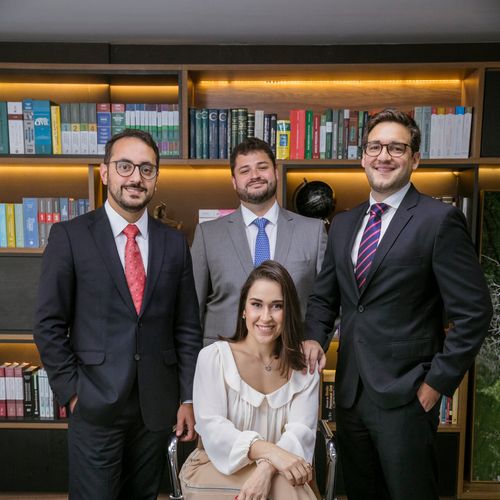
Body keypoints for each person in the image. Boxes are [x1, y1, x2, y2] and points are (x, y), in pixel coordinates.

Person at [304, 108, 493, 500]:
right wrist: (312, 338)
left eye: (396, 148)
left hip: (408, 395)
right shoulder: (343, 224)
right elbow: (325, 297)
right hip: (350, 394)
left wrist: (435, 385)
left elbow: (475, 312)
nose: (383, 156)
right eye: (375, 147)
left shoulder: (438, 220)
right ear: (362, 157)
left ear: (415, 159)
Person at [33, 129, 202, 499]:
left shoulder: (174, 242)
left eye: (146, 169)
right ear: (105, 172)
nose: (136, 177)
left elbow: (187, 328)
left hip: (156, 407)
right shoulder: (70, 236)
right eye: (125, 166)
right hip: (94, 403)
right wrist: (73, 392)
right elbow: (48, 324)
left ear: (156, 177)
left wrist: (187, 397)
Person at [179, 261, 319, 500]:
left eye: (277, 306)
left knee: (286, 488)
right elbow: (214, 431)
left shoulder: (305, 366)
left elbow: (301, 433)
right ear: (243, 309)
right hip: (214, 466)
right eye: (256, 304)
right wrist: (272, 454)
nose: (266, 317)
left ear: (289, 312)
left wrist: (266, 468)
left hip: (281, 469)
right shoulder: (213, 357)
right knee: (289, 492)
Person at [191, 137, 328, 364]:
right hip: (223, 361)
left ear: (275, 172)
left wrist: (314, 340)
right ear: (234, 181)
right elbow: (191, 310)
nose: (254, 175)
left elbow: (327, 300)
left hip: (294, 360)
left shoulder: (313, 232)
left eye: (262, 167)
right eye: (245, 170)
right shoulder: (208, 235)